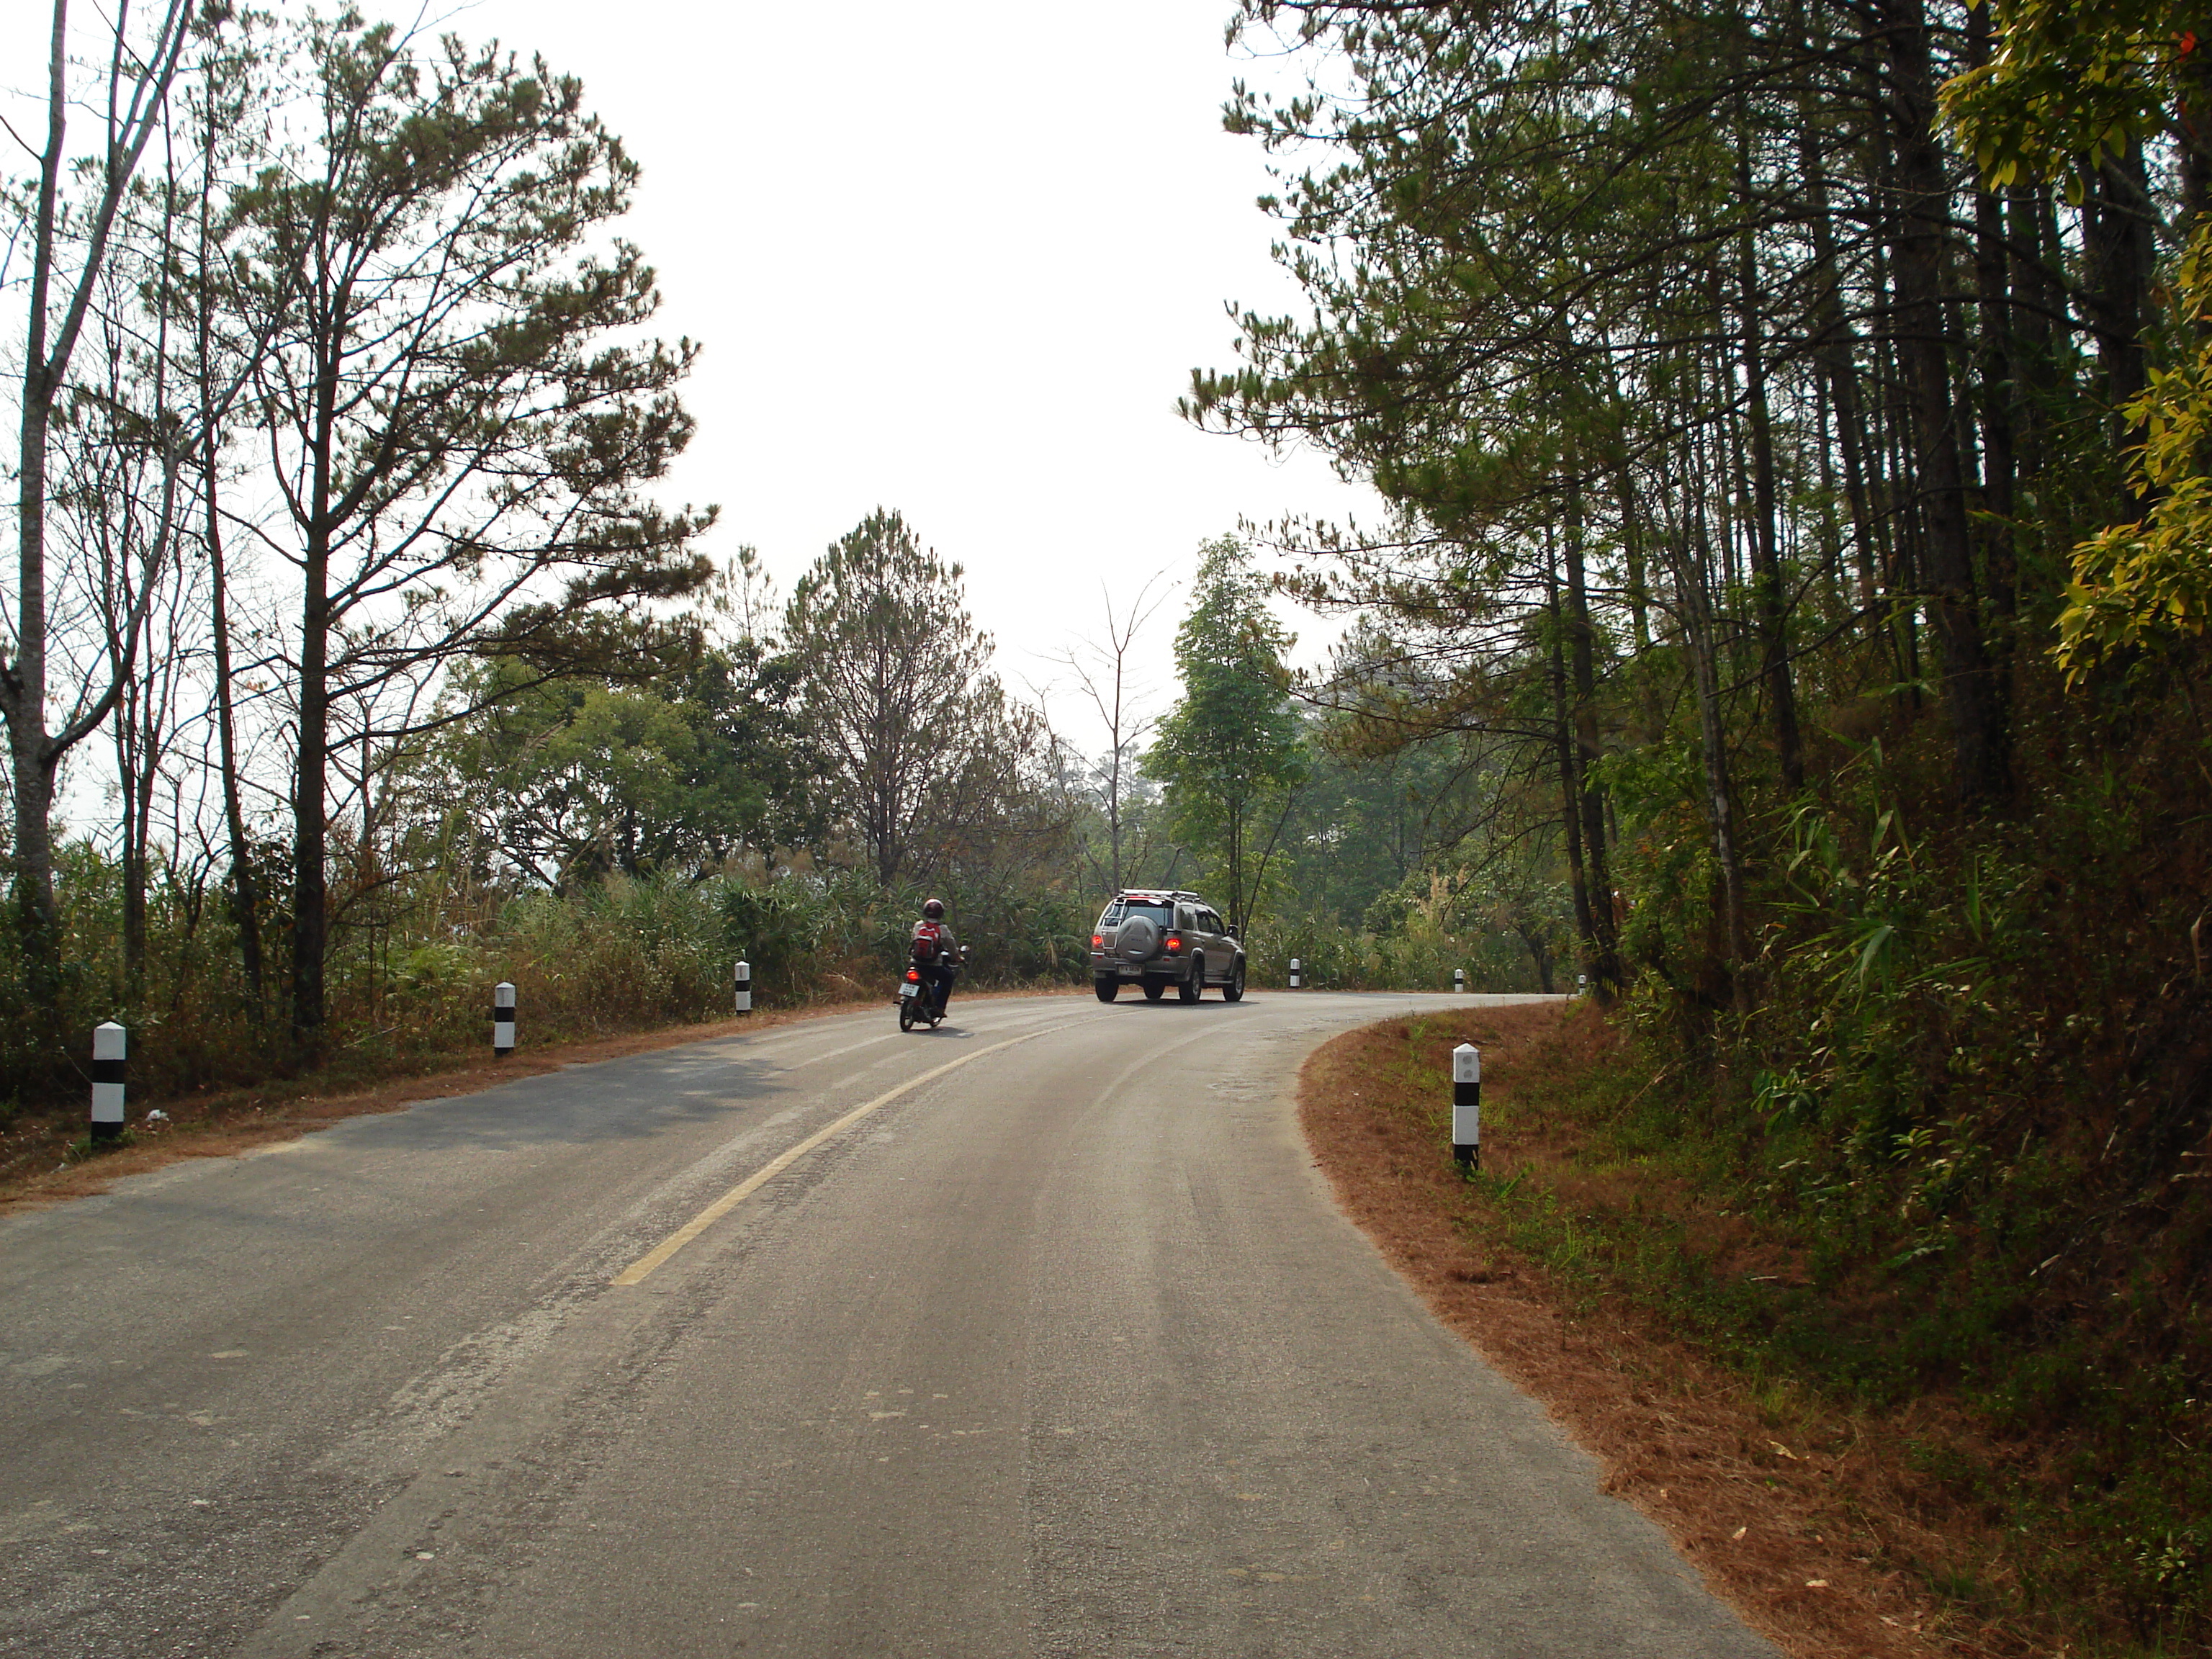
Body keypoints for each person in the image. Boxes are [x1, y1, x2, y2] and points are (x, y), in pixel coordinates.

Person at [910, 897, 961, 1016]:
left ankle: (907, 999)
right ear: (941, 914)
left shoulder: (918, 925)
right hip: (933, 966)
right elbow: (952, 947)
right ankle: (939, 1007)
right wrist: (957, 957)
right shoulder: (943, 929)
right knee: (948, 978)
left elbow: (913, 940)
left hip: (915, 963)